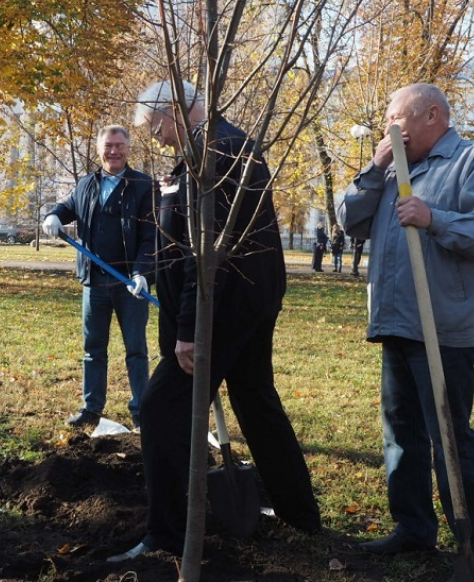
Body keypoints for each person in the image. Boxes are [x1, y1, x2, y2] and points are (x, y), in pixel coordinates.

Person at [109, 80, 320, 561]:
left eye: (155, 126)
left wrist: (188, 332)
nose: (155, 137)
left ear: (178, 111)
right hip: (246, 301)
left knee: (161, 407)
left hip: (223, 306)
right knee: (255, 398)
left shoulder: (215, 153)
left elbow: (208, 256)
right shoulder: (216, 144)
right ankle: (300, 514)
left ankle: (165, 535)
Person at [339, 83, 474, 582]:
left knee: (449, 435)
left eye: (395, 116)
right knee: (401, 432)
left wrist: (434, 219)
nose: (391, 125)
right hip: (396, 321)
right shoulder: (391, 169)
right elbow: (350, 221)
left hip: (444, 327)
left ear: (432, 115)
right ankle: (412, 526)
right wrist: (373, 170)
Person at [42, 125, 156, 430]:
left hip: (129, 284)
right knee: (93, 349)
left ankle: (141, 412)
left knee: (136, 350)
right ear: (99, 149)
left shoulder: (143, 186)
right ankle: (91, 408)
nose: (114, 151)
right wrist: (53, 215)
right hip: (94, 283)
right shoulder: (86, 184)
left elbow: (150, 238)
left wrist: (143, 273)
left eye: (119, 145)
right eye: (108, 146)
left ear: (129, 149)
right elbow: (69, 207)